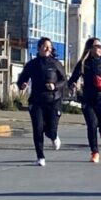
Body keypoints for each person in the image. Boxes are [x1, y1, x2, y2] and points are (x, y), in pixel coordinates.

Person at [17, 37, 67, 166]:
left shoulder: (55, 63)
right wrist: (22, 84)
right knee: (38, 128)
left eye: (49, 47)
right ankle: (40, 157)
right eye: (45, 46)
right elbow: (22, 79)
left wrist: (54, 86)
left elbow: (64, 80)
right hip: (36, 100)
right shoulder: (32, 64)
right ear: (39, 48)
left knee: (50, 129)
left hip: (53, 100)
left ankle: (54, 136)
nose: (47, 49)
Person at [69, 37, 101, 163]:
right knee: (92, 125)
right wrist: (72, 84)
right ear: (90, 48)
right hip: (88, 100)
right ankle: (94, 152)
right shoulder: (83, 63)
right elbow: (72, 78)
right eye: (97, 46)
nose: (100, 49)